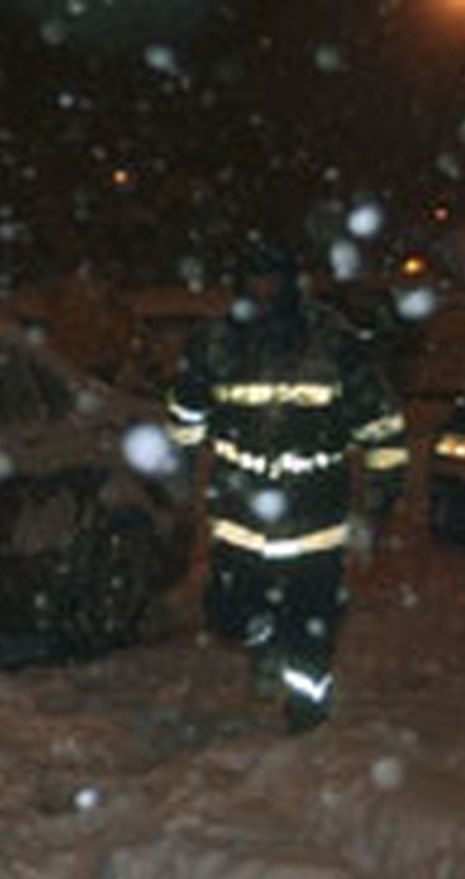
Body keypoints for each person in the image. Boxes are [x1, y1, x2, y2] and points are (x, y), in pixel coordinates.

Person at [165, 240, 407, 734]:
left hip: (315, 521)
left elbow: (384, 432)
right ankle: (264, 645)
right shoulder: (217, 342)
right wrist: (178, 474)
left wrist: (376, 510)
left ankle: (306, 716)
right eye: (254, 277)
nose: (264, 288)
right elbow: (185, 421)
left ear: (292, 281)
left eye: (273, 277)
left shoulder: (334, 342)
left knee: (311, 629)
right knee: (228, 614)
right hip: (240, 519)